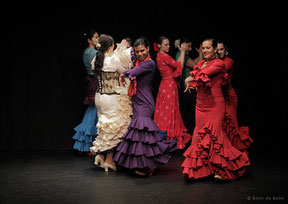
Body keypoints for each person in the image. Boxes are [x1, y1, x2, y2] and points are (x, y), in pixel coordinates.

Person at [181, 38, 250, 180]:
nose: (205, 51)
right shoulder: (200, 63)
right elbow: (198, 79)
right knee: (200, 137)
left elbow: (204, 75)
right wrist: (192, 81)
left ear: (214, 50)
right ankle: (202, 170)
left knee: (216, 137)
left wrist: (190, 79)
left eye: (208, 48)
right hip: (200, 105)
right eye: (203, 48)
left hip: (215, 106)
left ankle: (224, 170)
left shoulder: (219, 64)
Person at [113, 37, 177, 176]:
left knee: (143, 134)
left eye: (142, 50)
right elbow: (127, 55)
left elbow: (133, 72)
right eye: (137, 52)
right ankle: (143, 164)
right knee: (140, 136)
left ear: (148, 49)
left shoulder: (149, 64)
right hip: (136, 100)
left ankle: (149, 165)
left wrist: (122, 74)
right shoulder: (137, 61)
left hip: (145, 102)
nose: (140, 53)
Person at [90, 34, 133, 171]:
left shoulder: (96, 59)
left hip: (99, 96)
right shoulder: (113, 60)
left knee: (104, 126)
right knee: (115, 127)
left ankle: (100, 155)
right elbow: (126, 72)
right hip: (111, 96)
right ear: (111, 46)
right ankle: (109, 159)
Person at [153, 36, 191, 149]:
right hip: (169, 85)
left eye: (169, 44)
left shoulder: (159, 56)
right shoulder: (164, 55)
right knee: (169, 110)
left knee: (165, 110)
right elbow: (179, 65)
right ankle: (168, 137)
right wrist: (183, 51)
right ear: (159, 45)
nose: (168, 47)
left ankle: (164, 135)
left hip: (164, 85)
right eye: (166, 45)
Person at [217, 41, 253, 153]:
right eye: (217, 50)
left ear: (225, 49)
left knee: (231, 126)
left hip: (229, 98)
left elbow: (220, 70)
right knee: (221, 126)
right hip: (218, 99)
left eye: (221, 49)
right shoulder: (214, 62)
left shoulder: (228, 61)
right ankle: (225, 154)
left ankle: (236, 154)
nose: (219, 52)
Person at [72, 29, 99, 155]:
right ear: (89, 40)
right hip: (95, 82)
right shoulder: (93, 52)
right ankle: (86, 144)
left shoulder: (87, 51)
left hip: (91, 82)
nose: (97, 39)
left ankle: (87, 143)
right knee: (93, 111)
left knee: (94, 111)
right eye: (95, 37)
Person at [175, 37, 202, 135]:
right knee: (190, 112)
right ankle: (192, 132)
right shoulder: (182, 55)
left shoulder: (184, 56)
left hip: (186, 88)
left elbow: (195, 63)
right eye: (189, 46)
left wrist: (200, 54)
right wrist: (201, 54)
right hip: (186, 88)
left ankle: (191, 132)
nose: (190, 49)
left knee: (188, 112)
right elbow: (196, 65)